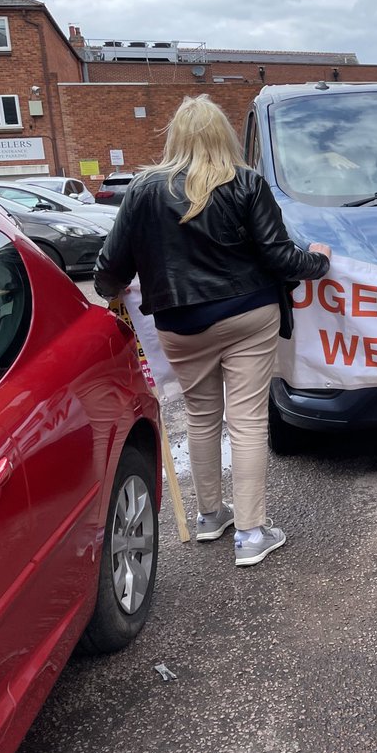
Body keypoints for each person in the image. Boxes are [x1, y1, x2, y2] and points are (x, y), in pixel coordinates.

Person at [94, 95, 331, 567]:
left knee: (202, 418)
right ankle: (250, 533)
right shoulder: (246, 182)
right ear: (223, 135)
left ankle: (209, 517)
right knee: (247, 420)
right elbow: (280, 256)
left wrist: (115, 293)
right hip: (248, 314)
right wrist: (319, 261)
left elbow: (108, 271)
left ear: (175, 138)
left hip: (180, 323)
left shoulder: (142, 190)